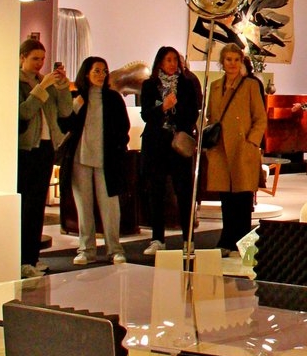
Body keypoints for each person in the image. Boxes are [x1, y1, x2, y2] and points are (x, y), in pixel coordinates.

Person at [60, 55, 130, 266]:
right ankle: (86, 249)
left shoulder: (113, 98)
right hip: (80, 158)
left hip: (107, 160)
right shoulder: (78, 97)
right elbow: (66, 124)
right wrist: (75, 106)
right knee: (84, 206)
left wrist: (118, 148)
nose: (101, 75)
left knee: (110, 207)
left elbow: (123, 128)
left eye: (104, 71)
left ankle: (114, 249)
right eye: (96, 71)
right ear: (87, 73)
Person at [17, 36, 73, 278]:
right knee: (26, 206)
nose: (40, 63)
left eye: (42, 59)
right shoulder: (17, 82)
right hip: (25, 149)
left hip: (46, 147)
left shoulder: (45, 81)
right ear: (22, 58)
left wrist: (62, 87)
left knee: (38, 205)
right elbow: (24, 112)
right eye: (35, 59)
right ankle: (22, 260)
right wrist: (41, 88)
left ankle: (33, 258)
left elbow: (65, 111)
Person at [204, 44, 267, 255]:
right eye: (228, 59)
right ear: (222, 62)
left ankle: (244, 244)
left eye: (236, 59)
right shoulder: (215, 86)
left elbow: (260, 117)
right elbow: (211, 116)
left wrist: (251, 142)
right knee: (226, 198)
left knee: (243, 198)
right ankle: (227, 239)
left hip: (243, 148)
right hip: (221, 148)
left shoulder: (250, 85)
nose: (232, 64)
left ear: (241, 62)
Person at [140, 45, 202, 254]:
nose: (173, 64)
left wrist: (177, 116)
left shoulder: (186, 84)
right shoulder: (150, 85)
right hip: (156, 145)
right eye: (168, 60)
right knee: (156, 192)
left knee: (183, 192)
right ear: (160, 62)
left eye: (175, 60)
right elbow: (146, 114)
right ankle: (157, 238)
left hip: (179, 144)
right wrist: (163, 108)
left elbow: (193, 112)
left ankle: (188, 239)